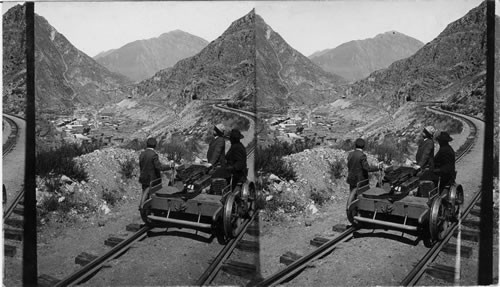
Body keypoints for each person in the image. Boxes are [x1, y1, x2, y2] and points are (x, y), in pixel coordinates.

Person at [138, 137, 173, 207]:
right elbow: (159, 167)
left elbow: (141, 166)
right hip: (153, 179)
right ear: (155, 145)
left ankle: (142, 205)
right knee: (155, 194)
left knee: (144, 191)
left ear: (147, 144)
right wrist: (169, 166)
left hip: (143, 178)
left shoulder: (142, 154)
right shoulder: (154, 155)